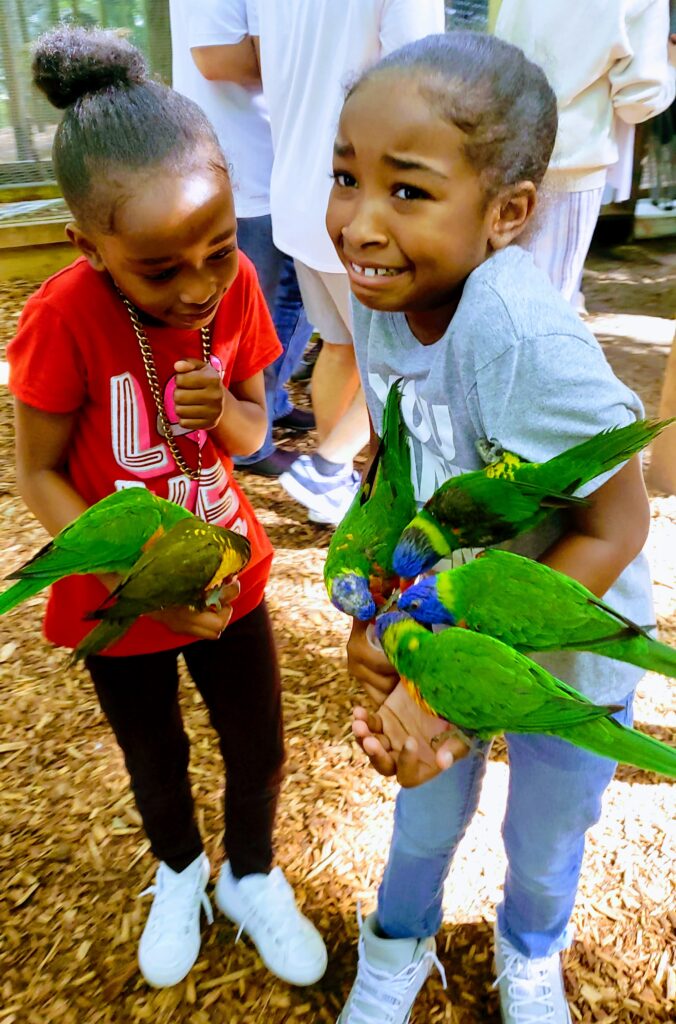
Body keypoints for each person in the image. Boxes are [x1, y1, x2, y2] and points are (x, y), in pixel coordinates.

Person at [324, 31, 658, 1023]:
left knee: (545, 841)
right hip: (447, 624)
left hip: (568, 652)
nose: (359, 223)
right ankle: (398, 942)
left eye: (407, 190)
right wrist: (376, 605)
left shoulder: (518, 339)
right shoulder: (387, 294)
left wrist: (453, 686)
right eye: (346, 178)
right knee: (420, 819)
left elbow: (618, 517)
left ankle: (529, 950)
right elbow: (396, 458)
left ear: (509, 213)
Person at [7, 26, 327, 991]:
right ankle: (183, 871)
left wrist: (225, 408)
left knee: (259, 745)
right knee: (155, 753)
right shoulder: (59, 319)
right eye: (160, 270)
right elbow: (37, 474)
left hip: (229, 574)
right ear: (88, 246)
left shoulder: (231, 297)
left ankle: (253, 875)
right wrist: (134, 586)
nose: (198, 286)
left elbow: (253, 433)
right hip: (119, 600)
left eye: (220, 249)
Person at [207, 0, 446, 524]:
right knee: (416, 367)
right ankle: (328, 467)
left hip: (298, 196)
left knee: (342, 347)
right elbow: (426, 84)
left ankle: (334, 486)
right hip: (365, 207)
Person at [169, 0, 316, 478]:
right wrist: (309, 55)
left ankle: (267, 407)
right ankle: (251, 441)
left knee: (287, 302)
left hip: (270, 160)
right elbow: (215, 56)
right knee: (264, 307)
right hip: (243, 162)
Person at [494, 0, 675, 302]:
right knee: (548, 305)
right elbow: (638, 101)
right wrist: (670, 66)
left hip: (504, 142)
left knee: (496, 292)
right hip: (570, 159)